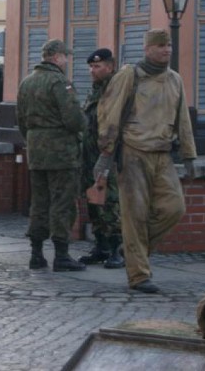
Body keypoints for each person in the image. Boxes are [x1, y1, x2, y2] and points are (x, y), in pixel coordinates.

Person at [95, 28, 196, 294]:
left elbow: (183, 118)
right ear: (148, 49)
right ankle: (138, 274)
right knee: (135, 215)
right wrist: (105, 154)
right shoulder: (130, 75)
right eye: (161, 45)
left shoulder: (175, 80)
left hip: (162, 152)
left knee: (174, 208)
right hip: (133, 152)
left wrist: (189, 154)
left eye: (169, 45)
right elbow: (109, 112)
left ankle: (132, 252)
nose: (167, 50)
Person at [16, 38, 87, 272]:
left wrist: (33, 138)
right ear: (57, 57)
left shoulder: (27, 82)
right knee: (62, 202)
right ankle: (61, 254)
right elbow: (73, 119)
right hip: (61, 151)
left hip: (36, 149)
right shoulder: (59, 82)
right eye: (65, 56)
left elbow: (21, 119)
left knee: (39, 202)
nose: (67, 60)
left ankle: (36, 253)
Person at [78, 48, 124, 269]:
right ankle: (101, 245)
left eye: (97, 66)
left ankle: (117, 248)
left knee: (111, 203)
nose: (92, 71)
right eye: (91, 67)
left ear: (110, 66)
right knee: (94, 200)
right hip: (90, 156)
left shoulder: (116, 91)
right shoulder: (96, 90)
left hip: (108, 157)